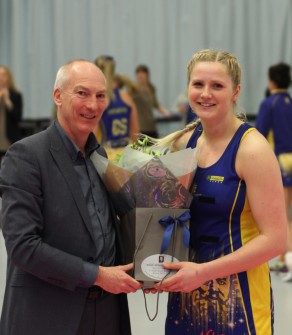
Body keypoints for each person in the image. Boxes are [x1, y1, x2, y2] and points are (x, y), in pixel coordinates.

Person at [149, 49, 287, 334]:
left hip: (238, 300)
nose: (205, 94)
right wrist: (151, 269)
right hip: (186, 292)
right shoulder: (185, 142)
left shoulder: (252, 150)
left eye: (217, 86)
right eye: (198, 84)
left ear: (236, 91)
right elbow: (170, 219)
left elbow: (275, 240)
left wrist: (203, 273)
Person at [0, 59, 141, 335]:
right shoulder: (26, 156)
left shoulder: (99, 155)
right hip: (50, 315)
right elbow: (23, 246)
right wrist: (98, 275)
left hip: (108, 311)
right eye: (82, 93)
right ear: (58, 96)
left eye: (100, 96)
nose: (93, 105)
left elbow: (114, 225)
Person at [256, 62, 292, 281]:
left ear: (271, 81)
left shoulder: (269, 103)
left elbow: (259, 134)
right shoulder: (290, 102)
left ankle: (288, 258)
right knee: (289, 214)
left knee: (282, 214)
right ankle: (282, 258)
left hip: (280, 160)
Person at [94, 55, 140, 159]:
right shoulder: (126, 97)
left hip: (107, 154)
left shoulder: (100, 99)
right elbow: (136, 133)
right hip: (127, 154)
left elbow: (93, 135)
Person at [132, 64, 170, 138]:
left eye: (142, 74)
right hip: (140, 128)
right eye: (138, 75)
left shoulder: (151, 88)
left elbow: (155, 104)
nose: (140, 77)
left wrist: (166, 112)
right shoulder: (134, 90)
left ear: (147, 75)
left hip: (151, 126)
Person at [0, 66, 23, 160]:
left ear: (8, 77)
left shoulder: (16, 95)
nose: (1, 78)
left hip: (10, 139)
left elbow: (18, 117)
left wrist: (7, 101)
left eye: (3, 75)